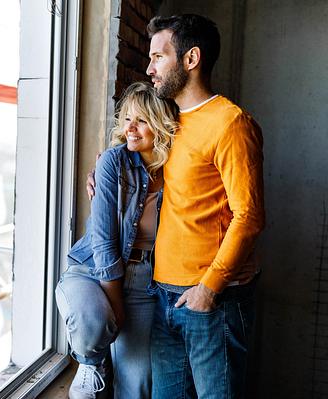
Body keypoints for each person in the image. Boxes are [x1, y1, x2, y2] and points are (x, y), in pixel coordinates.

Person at [88, 14, 265, 398]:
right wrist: (106, 174)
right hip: (164, 295)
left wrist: (209, 288)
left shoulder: (230, 123)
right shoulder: (170, 122)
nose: (150, 69)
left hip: (211, 300)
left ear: (191, 59)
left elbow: (249, 216)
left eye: (158, 57)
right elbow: (150, 171)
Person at [55, 81, 178, 399]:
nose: (130, 129)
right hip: (94, 272)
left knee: (137, 386)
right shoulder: (114, 162)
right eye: (126, 119)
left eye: (141, 120)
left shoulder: (180, 172)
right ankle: (92, 362)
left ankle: (104, 362)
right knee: (94, 323)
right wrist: (116, 303)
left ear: (162, 124)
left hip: (146, 283)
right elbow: (104, 239)